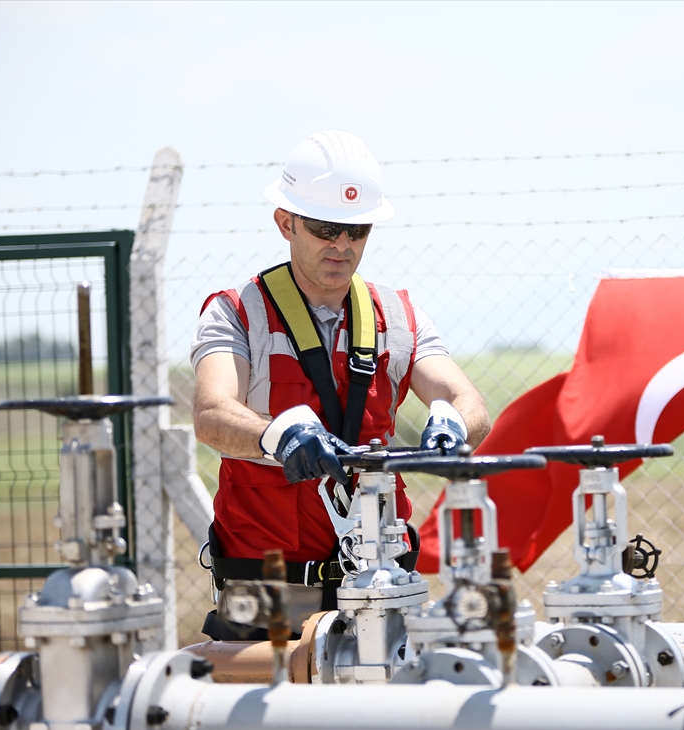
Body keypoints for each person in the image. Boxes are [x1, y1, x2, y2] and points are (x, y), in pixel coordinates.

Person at [191, 130, 489, 640]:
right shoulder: (236, 311)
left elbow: (470, 403)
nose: (343, 245)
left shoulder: (397, 314)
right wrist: (275, 435)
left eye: (358, 230)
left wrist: (454, 422)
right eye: (327, 227)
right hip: (266, 589)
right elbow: (212, 413)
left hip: (379, 578)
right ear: (285, 223)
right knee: (265, 716)